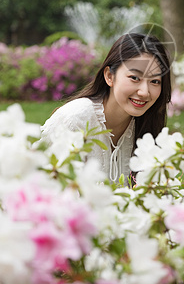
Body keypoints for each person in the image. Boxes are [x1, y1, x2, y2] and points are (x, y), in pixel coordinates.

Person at [40, 32, 172, 183]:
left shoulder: (146, 126)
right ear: (109, 76)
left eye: (155, 81)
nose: (144, 92)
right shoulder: (74, 121)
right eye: (135, 78)